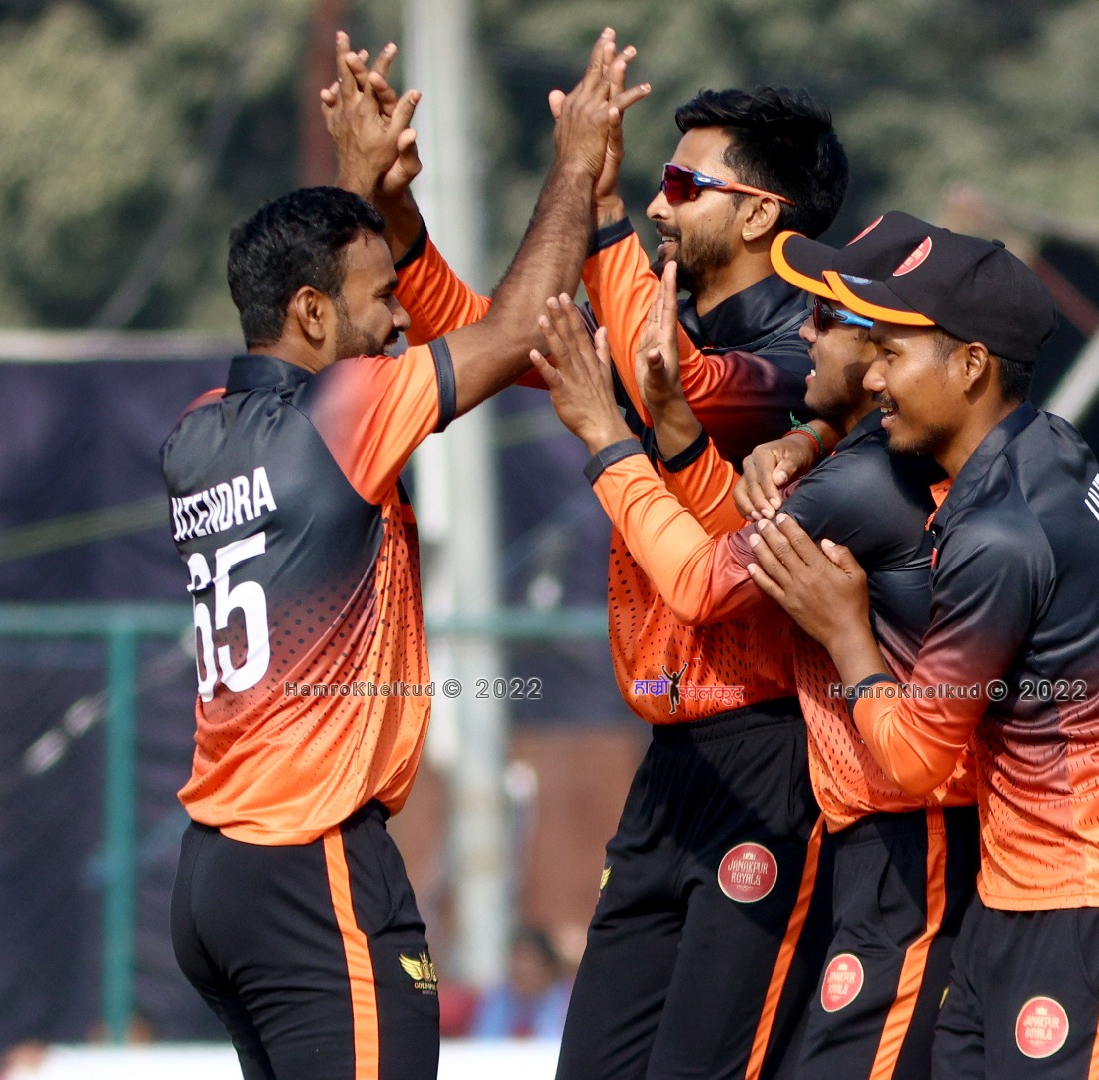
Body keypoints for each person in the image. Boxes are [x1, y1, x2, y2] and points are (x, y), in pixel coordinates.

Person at [332, 50, 852, 1080]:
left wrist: (599, 200)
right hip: (670, 763)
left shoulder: (811, 344)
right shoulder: (668, 315)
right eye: (655, 184)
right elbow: (483, 336)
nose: (660, 206)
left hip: (775, 758)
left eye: (683, 184)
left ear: (761, 213)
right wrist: (392, 208)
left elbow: (680, 381)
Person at [162, 31, 642, 1080]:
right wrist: (574, 164)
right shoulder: (345, 412)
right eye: (382, 302)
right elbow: (517, 331)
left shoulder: (197, 432)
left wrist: (357, 181)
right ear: (310, 313)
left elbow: (323, 288)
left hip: (218, 878)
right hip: (313, 869)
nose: (397, 325)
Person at [743, 214, 1099, 1080]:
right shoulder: (1046, 443)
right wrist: (809, 435)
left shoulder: (996, 535)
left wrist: (843, 630)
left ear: (970, 365)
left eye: (891, 354)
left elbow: (915, 761)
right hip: (1015, 893)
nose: (871, 376)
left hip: (1091, 899)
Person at [533, 221, 984, 1077]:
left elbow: (701, 584)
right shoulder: (852, 451)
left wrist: (607, 439)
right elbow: (734, 546)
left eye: (830, 317)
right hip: (772, 793)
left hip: (886, 821)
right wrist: (679, 424)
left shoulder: (856, 464)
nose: (806, 331)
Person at [469, 928, 573, 1040]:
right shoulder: (498, 998)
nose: (521, 969)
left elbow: (553, 1041)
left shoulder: (567, 1000)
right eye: (517, 960)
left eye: (531, 961)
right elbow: (484, 1040)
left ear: (550, 967)